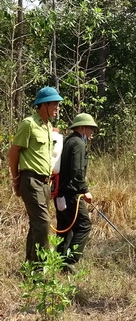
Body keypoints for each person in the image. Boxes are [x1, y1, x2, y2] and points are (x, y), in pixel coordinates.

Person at [7, 86, 63, 262]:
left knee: (36, 224)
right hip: (31, 181)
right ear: (44, 105)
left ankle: (30, 267)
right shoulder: (28, 124)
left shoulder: (48, 127)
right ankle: (41, 270)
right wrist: (16, 180)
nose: (57, 108)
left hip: (45, 183)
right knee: (43, 224)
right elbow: (13, 153)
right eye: (55, 104)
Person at [54, 113, 98, 271]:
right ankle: (70, 262)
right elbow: (77, 171)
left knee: (64, 228)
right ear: (82, 127)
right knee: (84, 225)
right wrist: (85, 190)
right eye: (90, 128)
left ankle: (58, 263)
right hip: (71, 194)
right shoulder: (78, 143)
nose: (92, 131)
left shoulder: (68, 141)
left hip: (60, 194)